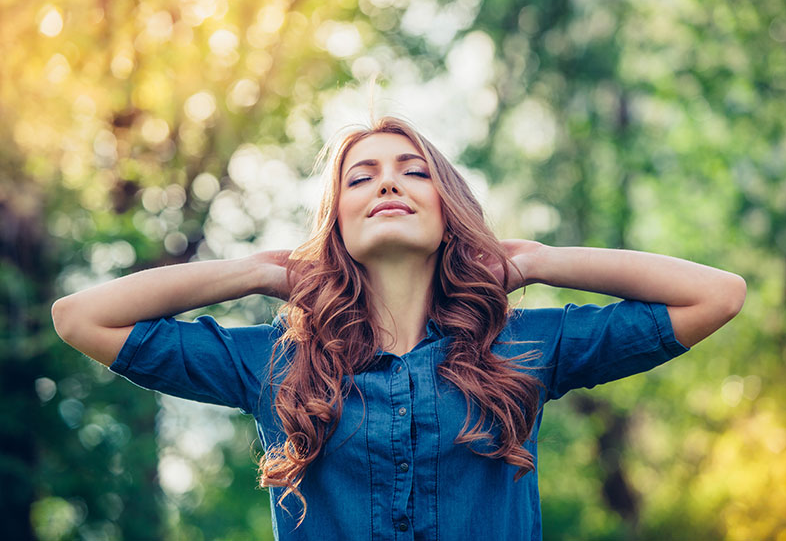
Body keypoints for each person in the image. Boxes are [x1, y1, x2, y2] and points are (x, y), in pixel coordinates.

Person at [51, 115, 746, 540]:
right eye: (361, 178)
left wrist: (539, 262)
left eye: (414, 173)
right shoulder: (274, 363)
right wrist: (262, 271)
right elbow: (82, 317)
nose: (388, 184)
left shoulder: (527, 348)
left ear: (447, 213)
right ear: (337, 223)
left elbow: (715, 296)